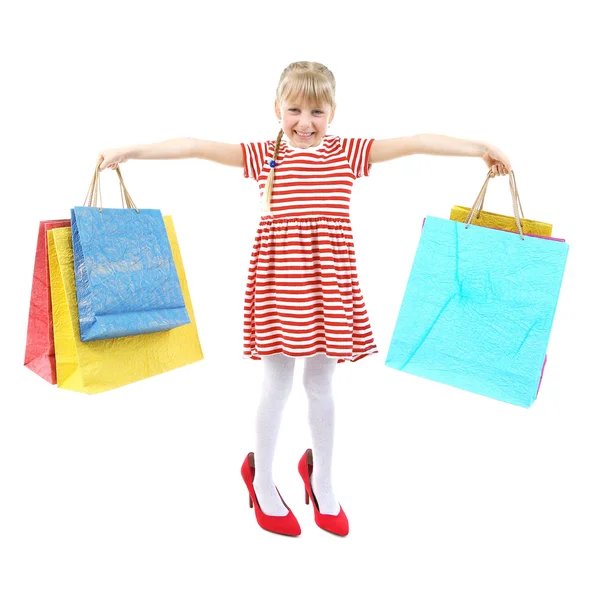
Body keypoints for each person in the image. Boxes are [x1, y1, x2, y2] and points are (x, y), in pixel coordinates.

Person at [98, 60, 512, 537]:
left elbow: (417, 142)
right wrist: (130, 150)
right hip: (279, 285)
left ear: (332, 111)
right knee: (276, 383)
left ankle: (324, 479)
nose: (305, 122)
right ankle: (264, 481)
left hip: (329, 285)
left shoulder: (348, 153)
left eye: (317, 110)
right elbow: (194, 147)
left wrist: (480, 148)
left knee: (321, 384)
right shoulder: (264, 155)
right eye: (294, 109)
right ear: (277, 108)